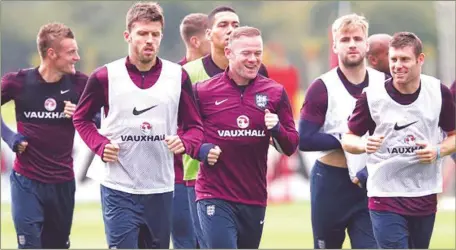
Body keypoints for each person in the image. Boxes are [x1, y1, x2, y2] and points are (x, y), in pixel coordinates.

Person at [72, 2, 204, 249]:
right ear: (128, 35)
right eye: (142, 33)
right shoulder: (104, 76)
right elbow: (81, 118)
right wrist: (100, 145)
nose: (149, 40)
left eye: (155, 34)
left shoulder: (178, 76)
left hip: (160, 188)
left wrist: (185, 142)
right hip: (118, 186)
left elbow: (195, 127)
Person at [341, 31, 456, 249]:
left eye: (404, 59)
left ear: (420, 60)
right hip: (384, 193)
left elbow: (453, 136)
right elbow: (348, 138)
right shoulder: (372, 96)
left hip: (424, 193)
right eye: (393, 59)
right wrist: (364, 144)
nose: (397, 65)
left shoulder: (438, 92)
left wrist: (437, 151)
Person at [193, 26, 298, 249]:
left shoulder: (275, 92)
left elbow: (291, 145)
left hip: (254, 197)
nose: (253, 59)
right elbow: (185, 132)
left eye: (257, 53)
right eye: (246, 53)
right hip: (214, 193)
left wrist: (277, 128)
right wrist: (201, 150)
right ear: (229, 52)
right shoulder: (203, 91)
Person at [181, 6, 269, 247]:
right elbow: (178, 124)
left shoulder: (257, 71)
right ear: (208, 34)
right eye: (223, 25)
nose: (231, 29)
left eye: (235, 24)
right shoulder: (188, 73)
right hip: (196, 177)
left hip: (246, 184)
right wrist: (199, 150)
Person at [298, 13, 384, 249]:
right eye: (345, 39)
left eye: (358, 38)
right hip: (330, 182)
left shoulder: (383, 84)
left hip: (371, 181)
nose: (352, 44)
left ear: (367, 44)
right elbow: (304, 139)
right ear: (335, 45)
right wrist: (346, 140)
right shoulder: (322, 86)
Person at [1, 22, 87, 249]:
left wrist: (79, 114)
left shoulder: (81, 84)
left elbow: (100, 118)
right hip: (26, 181)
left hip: (63, 184)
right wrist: (10, 137)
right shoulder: (18, 82)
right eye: (71, 52)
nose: (76, 57)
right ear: (51, 54)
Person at [172, 12, 210, 249]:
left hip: (216, 175)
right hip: (179, 175)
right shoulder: (171, 76)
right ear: (195, 41)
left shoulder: (228, 75)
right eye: (211, 33)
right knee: (186, 243)